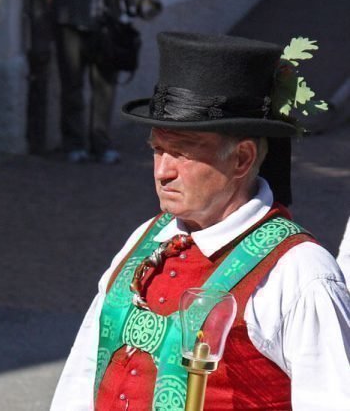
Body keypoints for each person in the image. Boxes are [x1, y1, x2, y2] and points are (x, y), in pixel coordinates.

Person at [50, 32, 350, 410]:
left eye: (182, 153)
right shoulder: (145, 237)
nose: (162, 171)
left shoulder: (300, 272)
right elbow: (81, 377)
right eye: (158, 150)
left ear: (241, 158)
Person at [51, 0, 125, 164]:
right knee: (72, 85)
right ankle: (74, 144)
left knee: (105, 86)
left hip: (107, 22)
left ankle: (101, 144)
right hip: (71, 21)